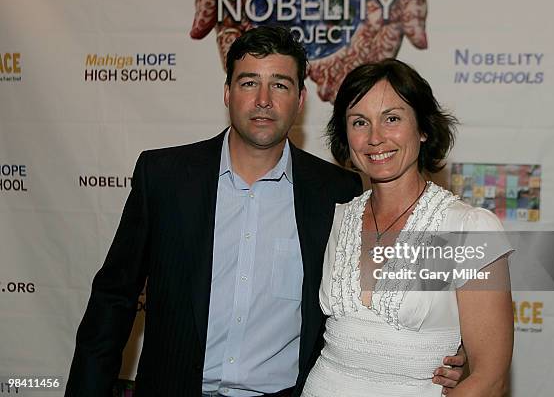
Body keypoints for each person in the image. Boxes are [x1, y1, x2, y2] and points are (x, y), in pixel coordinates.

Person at [65, 27, 464, 397]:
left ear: (300, 100)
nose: (263, 100)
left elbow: (366, 305)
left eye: (280, 84)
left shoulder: (336, 192)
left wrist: (446, 353)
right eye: (249, 82)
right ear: (227, 93)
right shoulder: (165, 177)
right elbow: (114, 299)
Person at [301, 59, 514, 397]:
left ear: (423, 129)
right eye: (359, 122)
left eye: (392, 118)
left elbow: (489, 379)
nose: (375, 138)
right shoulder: (337, 217)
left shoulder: (469, 229)